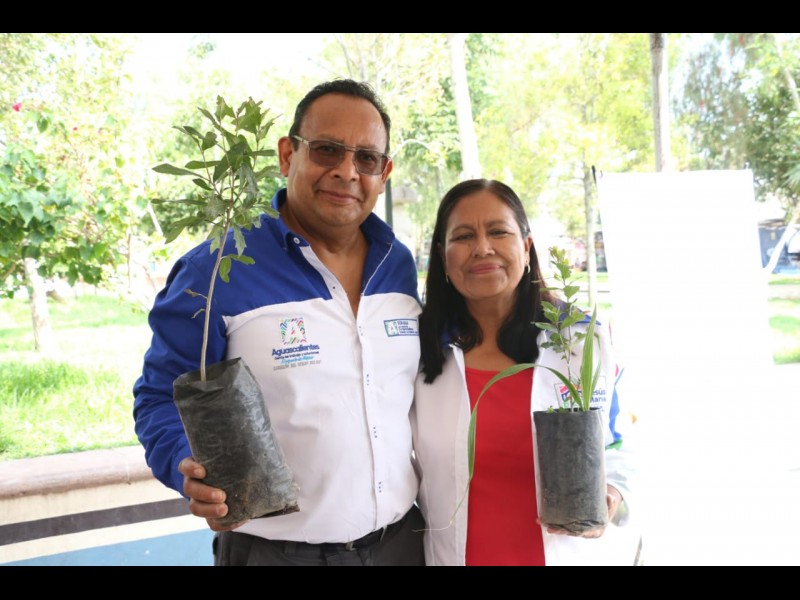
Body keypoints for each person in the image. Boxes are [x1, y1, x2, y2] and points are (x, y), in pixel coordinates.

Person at [133, 79, 425, 566]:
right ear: (288, 155)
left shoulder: (397, 265)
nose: (347, 171)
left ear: (384, 173)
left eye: (367, 158)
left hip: (402, 547)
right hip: (274, 554)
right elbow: (162, 396)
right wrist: (186, 464)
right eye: (327, 150)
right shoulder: (217, 270)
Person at [411, 178, 639, 566]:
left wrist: (611, 494)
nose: (482, 248)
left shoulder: (580, 340)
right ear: (442, 256)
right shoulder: (420, 349)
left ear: (527, 246)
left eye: (498, 231)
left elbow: (618, 444)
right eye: (463, 236)